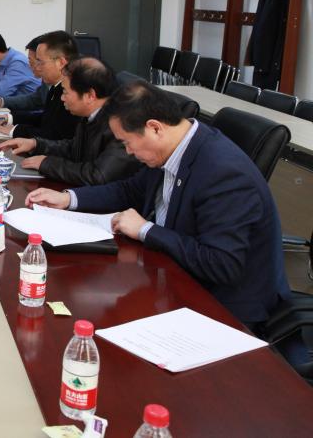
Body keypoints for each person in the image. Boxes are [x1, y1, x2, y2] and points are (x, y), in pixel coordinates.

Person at [26, 81, 292, 329]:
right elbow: (130, 189)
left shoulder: (224, 173)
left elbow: (221, 263)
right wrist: (69, 198)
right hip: (172, 275)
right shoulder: (174, 147)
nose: (128, 152)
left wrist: (146, 230)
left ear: (155, 128)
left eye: (127, 142)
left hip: (223, 308)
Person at [0, 57, 140, 186]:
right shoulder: (91, 114)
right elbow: (74, 148)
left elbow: (97, 175)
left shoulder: (121, 125)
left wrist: (47, 164)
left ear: (90, 96)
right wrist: (36, 144)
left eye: (65, 92)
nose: (62, 98)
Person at [0, 30, 79, 141]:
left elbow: (55, 135)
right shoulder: (55, 87)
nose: (37, 67)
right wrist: (7, 119)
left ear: (61, 63)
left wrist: (15, 130)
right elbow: (45, 119)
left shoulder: (74, 92)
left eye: (40, 62)